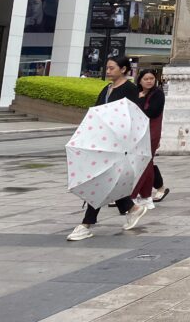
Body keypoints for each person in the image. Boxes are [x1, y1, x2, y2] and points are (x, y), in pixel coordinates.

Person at [67, 56, 148, 241]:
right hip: (101, 141)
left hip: (118, 142)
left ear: (124, 69)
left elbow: (133, 116)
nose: (108, 71)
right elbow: (96, 112)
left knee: (100, 180)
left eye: (112, 68)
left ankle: (86, 224)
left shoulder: (129, 89)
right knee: (105, 179)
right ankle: (132, 208)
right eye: (108, 67)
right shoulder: (107, 88)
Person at [131, 68, 165, 210]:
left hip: (150, 133)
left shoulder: (158, 94)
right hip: (135, 133)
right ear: (140, 80)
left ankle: (134, 195)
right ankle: (147, 195)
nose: (149, 81)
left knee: (144, 162)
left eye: (151, 78)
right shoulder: (134, 93)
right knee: (144, 162)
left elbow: (151, 112)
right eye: (146, 79)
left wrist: (140, 101)